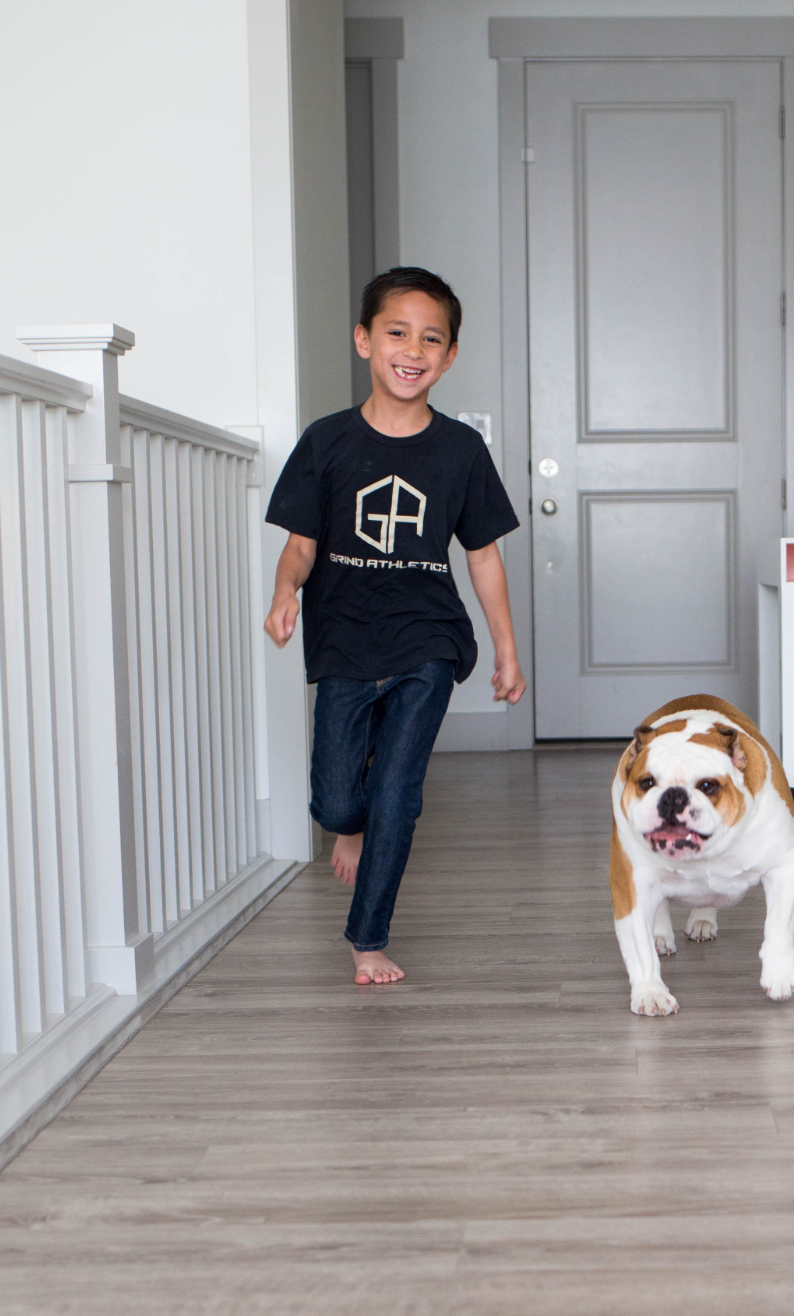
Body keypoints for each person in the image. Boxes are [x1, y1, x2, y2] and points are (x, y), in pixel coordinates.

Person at [263, 267, 526, 985]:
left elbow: (484, 556)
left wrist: (505, 648)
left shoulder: (461, 452)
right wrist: (286, 591)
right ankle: (350, 822)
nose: (413, 349)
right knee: (339, 799)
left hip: (428, 641)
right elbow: (299, 546)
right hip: (344, 637)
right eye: (396, 332)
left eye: (431, 338)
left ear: (450, 356)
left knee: (398, 794)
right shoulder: (326, 443)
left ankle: (368, 939)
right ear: (363, 340)